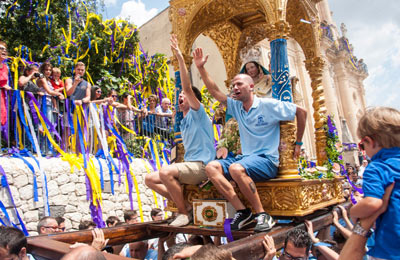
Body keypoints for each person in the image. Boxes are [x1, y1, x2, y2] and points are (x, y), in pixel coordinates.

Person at [193, 47, 307, 231]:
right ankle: (242, 211)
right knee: (211, 167)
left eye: (239, 84)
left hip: (267, 161)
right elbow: (214, 91)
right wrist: (200, 68)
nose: (234, 88)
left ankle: (262, 215)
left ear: (251, 86)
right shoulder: (237, 108)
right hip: (245, 160)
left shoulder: (268, 105)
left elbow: (301, 112)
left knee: (236, 168)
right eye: (233, 86)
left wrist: (299, 143)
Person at [144, 35, 216, 227]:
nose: (180, 97)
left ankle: (184, 214)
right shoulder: (182, 121)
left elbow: (186, 86)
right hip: (190, 166)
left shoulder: (198, 113)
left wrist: (180, 58)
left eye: (184, 95)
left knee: (166, 172)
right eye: (180, 96)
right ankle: (185, 205)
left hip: (203, 166)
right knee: (150, 179)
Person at [349, 107, 400, 260]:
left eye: (361, 147)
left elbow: (373, 203)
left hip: (391, 249)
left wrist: (353, 211)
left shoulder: (377, 167)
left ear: (368, 141)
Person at [0, 41, 11, 132]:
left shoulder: (5, 67)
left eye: (5, 50)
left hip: (2, 96)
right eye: (1, 49)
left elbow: (5, 81)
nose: (4, 51)